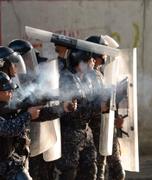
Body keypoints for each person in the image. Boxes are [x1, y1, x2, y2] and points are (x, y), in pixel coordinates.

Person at [55, 49, 99, 180]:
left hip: (85, 131)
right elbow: (74, 111)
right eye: (90, 59)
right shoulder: (67, 79)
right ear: (81, 64)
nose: (93, 62)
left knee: (90, 170)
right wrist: (98, 107)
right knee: (69, 172)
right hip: (71, 132)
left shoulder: (85, 79)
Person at [86, 35, 125, 180]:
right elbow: (96, 102)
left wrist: (116, 118)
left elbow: (107, 101)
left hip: (107, 127)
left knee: (117, 172)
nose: (104, 58)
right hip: (95, 130)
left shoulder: (100, 73)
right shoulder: (87, 76)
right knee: (99, 173)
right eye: (102, 54)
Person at [0, 71, 40, 180]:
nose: (11, 92)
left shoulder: (8, 106)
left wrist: (63, 107)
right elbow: (7, 129)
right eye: (7, 90)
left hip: (7, 160)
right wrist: (28, 115)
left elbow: (38, 114)